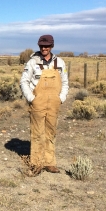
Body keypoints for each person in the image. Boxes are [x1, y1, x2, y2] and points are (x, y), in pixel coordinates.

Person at [20, 35, 69, 173]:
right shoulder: (32, 62)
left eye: (47, 46)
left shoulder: (60, 63)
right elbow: (24, 81)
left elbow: (65, 82)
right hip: (38, 102)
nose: (44, 48)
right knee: (37, 133)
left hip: (54, 102)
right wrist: (31, 98)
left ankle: (49, 162)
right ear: (39, 46)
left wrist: (61, 98)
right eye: (42, 46)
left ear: (52, 46)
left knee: (51, 132)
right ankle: (36, 163)